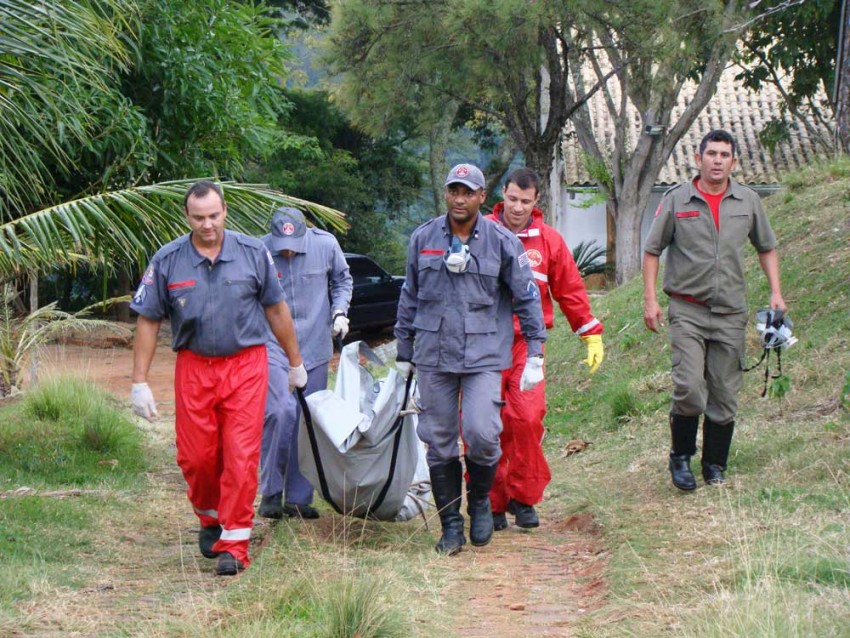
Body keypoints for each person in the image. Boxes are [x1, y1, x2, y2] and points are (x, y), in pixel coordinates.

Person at [129, 181, 308, 576]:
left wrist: (295, 363)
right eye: (198, 218)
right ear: (186, 217)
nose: (207, 224)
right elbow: (148, 320)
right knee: (197, 457)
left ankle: (235, 543)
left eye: (213, 215)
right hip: (194, 367)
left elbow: (276, 309)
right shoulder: (169, 259)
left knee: (241, 455)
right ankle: (210, 518)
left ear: (224, 211)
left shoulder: (252, 253)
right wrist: (138, 381)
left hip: (245, 365)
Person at [394, 163, 547, 555]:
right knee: (439, 442)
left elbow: (526, 296)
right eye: (453, 191)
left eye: (468, 192)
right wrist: (404, 353)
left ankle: (479, 499)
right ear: (447, 194)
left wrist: (535, 353)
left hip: (483, 355)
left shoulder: (500, 241)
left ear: (482, 197)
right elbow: (409, 295)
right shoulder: (424, 238)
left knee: (481, 433)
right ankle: (450, 524)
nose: (459, 199)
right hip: (434, 356)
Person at [642, 129, 787, 491]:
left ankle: (714, 465)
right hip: (687, 309)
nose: (718, 160)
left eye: (725, 155)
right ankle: (680, 458)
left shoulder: (748, 201)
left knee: (724, 393)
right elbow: (652, 250)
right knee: (690, 387)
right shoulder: (678, 200)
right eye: (711, 154)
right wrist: (650, 300)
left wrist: (775, 292)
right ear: (699, 158)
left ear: (733, 161)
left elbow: (766, 247)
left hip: (730, 313)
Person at [485, 167, 604, 530]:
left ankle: (523, 498)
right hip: (484, 343)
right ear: (501, 195)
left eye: (525, 201)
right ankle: (490, 502)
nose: (517, 207)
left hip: (527, 344)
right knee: (486, 424)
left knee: (526, 418)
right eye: (512, 199)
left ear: (537, 202)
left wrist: (590, 333)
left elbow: (569, 290)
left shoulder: (549, 241)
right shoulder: (480, 233)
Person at [257, 207, 353, 520]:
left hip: (314, 344)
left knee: (307, 419)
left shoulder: (325, 245)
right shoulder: (259, 251)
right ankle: (271, 491)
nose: (288, 252)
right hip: (273, 346)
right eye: (282, 247)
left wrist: (339, 311)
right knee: (279, 413)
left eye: (294, 246)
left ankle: (299, 498)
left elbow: (342, 279)